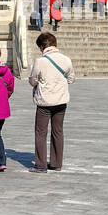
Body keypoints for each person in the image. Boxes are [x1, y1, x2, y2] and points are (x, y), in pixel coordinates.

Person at [28, 31, 74, 173]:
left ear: (42, 47)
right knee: (58, 131)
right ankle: (56, 163)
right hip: (61, 101)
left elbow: (32, 81)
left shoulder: (40, 61)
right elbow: (71, 79)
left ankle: (41, 164)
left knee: (41, 133)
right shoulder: (66, 59)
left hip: (44, 102)